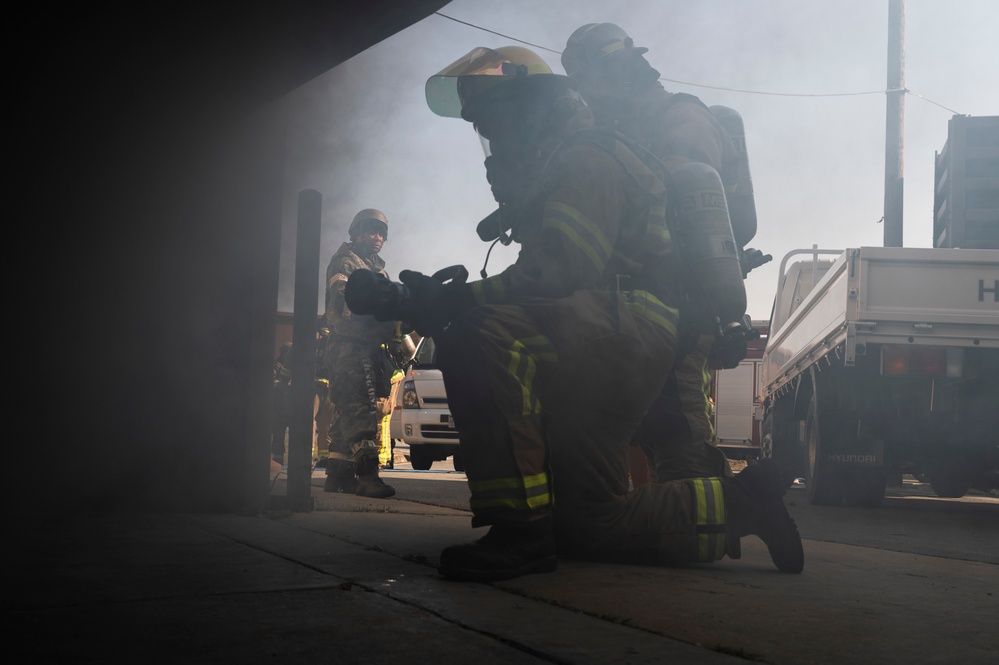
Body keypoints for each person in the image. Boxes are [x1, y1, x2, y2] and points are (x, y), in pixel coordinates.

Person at [346, 46, 802, 581]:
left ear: (531, 109)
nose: (495, 148)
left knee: (478, 336)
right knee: (589, 521)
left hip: (619, 334)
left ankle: (518, 531)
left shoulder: (586, 157)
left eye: (497, 124)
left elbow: (558, 274)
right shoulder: (574, 163)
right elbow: (549, 282)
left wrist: (456, 301)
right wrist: (427, 300)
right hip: (611, 341)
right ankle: (745, 501)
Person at [562, 23, 766, 484]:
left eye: (592, 81)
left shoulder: (681, 117)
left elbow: (676, 193)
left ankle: (714, 517)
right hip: (629, 302)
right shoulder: (618, 130)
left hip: (679, 301)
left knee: (677, 425)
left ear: (618, 73)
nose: (591, 97)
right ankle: (652, 516)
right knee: (634, 423)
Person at [322, 208, 400, 498]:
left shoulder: (377, 270)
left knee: (348, 413)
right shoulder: (346, 262)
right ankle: (368, 477)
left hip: (366, 347)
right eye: (370, 230)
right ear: (355, 234)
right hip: (349, 346)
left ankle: (338, 476)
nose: (376, 236)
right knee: (363, 411)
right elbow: (345, 305)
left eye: (381, 232)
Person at [270, 342, 293, 466]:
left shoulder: (292, 366)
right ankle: (278, 458)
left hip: (289, 403)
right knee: (279, 431)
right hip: (279, 404)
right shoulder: (276, 366)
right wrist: (281, 384)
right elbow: (272, 382)